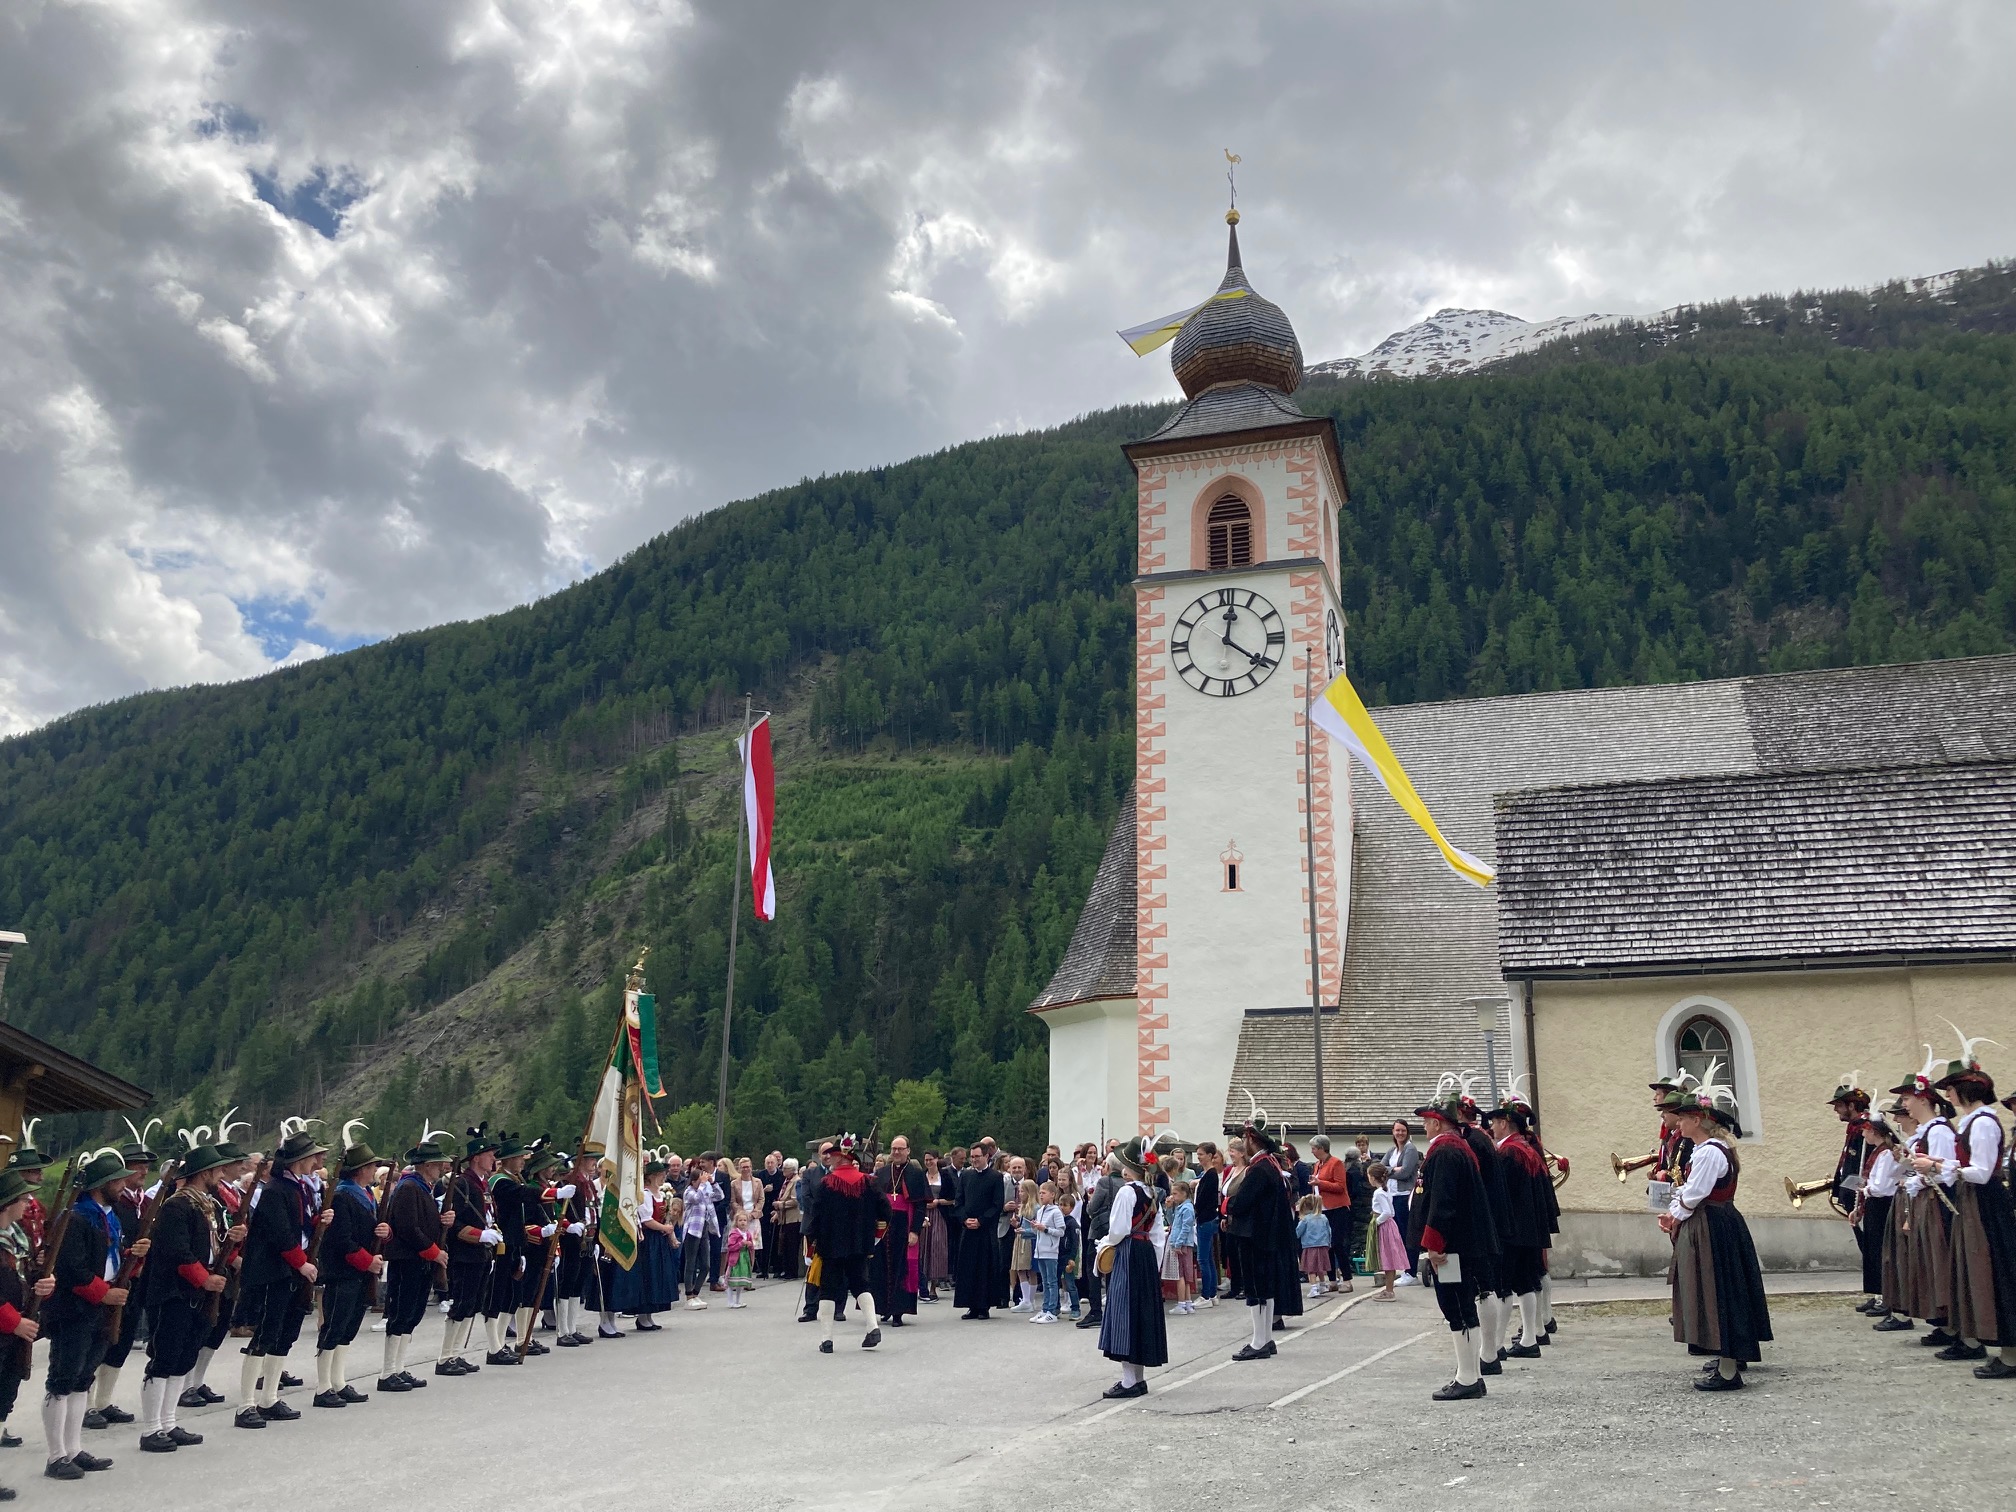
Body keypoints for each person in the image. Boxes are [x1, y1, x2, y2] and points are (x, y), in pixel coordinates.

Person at [1660, 1088, 1771, 1389]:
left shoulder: (1710, 1151)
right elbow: (1689, 1191)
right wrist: (1676, 1211)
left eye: (1683, 1118)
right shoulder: (1710, 1148)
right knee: (1720, 1291)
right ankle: (1726, 1360)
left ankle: (1728, 1370)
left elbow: (1695, 1194)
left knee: (1718, 1291)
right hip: (1716, 1223)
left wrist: (1675, 1216)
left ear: (1697, 1120)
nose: (1678, 1124)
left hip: (1712, 1227)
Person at [44, 1149, 141, 1480]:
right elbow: (71, 1269)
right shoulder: (76, 1217)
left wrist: (131, 1255)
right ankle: (56, 1455)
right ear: (103, 1184)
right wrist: (105, 1293)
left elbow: (106, 1257)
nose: (123, 1185)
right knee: (62, 1380)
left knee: (82, 1379)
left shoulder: (105, 1216)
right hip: (75, 1308)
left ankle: (73, 1449)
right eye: (117, 1180)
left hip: (99, 1306)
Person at [1923, 1040, 2016, 1376]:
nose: (1947, 1096)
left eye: (1950, 1090)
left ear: (1963, 1090)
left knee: (1997, 1273)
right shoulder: (1972, 1122)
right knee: (1982, 1274)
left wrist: (1937, 1168)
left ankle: (2010, 1356)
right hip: (1975, 1202)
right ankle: (2002, 1350)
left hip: (1986, 1205)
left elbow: (1982, 1171)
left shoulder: (1984, 1123)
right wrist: (1936, 1162)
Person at [236, 1123, 328, 1429]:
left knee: (283, 1335)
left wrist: (319, 1219)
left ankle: (269, 1398)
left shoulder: (294, 1187)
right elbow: (281, 1235)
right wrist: (302, 1263)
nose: (316, 1162)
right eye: (311, 1157)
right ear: (296, 1161)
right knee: (264, 1334)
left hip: (287, 1270)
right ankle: (246, 1404)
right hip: (270, 1271)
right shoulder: (277, 1190)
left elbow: (298, 1226)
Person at [1407, 1094, 1492, 1401]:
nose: (1424, 1127)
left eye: (1426, 1121)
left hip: (1452, 1245)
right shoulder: (1457, 1148)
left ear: (1437, 1122)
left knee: (1456, 1307)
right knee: (1463, 1307)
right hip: (1462, 1242)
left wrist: (1433, 1243)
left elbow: (1442, 1203)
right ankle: (1471, 1375)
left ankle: (1467, 1377)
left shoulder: (1444, 1151)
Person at [309, 1135, 387, 1407]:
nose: (374, 1168)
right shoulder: (342, 1196)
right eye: (371, 1165)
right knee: (333, 1327)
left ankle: (338, 1382)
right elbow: (342, 1240)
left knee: (348, 1328)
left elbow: (367, 1232)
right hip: (343, 1271)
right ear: (361, 1169)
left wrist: (383, 1233)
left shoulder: (364, 1195)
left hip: (358, 1270)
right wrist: (368, 1262)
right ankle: (322, 1387)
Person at [1095, 1137, 1168, 1398]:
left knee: (1125, 1312)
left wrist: (1103, 1246)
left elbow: (1118, 1230)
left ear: (1127, 1168)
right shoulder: (1153, 1194)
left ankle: (1129, 1381)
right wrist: (1155, 1264)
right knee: (1142, 1312)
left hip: (1128, 1253)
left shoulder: (1127, 1192)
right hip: (1146, 1253)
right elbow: (1158, 1235)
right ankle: (1138, 1378)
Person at [1890, 1058, 1957, 1346]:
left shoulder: (1939, 1130)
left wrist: (1916, 1175)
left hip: (1936, 1202)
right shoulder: (1927, 1132)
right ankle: (1944, 1323)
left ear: (1921, 1098)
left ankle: (1954, 1325)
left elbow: (1942, 1172)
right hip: (1924, 1199)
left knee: (1941, 1261)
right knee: (1930, 1263)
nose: (1903, 1104)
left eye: (1906, 1098)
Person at [802, 1136, 889, 1354]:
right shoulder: (869, 1182)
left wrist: (811, 1242)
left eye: (832, 1155)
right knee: (861, 1284)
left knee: (828, 1289)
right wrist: (875, 1234)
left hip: (830, 1245)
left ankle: (827, 1339)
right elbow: (886, 1211)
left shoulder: (826, 1184)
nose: (828, 1158)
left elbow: (816, 1216)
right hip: (860, 1244)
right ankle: (873, 1327)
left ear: (843, 1157)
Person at [1226, 1118, 1302, 1360]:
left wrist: (1229, 1204)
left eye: (1245, 1139)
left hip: (1255, 1235)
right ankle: (1265, 1339)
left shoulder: (1259, 1168)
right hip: (1266, 1235)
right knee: (1264, 1289)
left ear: (1252, 1140)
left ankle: (1260, 1341)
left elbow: (1241, 1202)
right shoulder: (1270, 1164)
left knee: (1257, 1290)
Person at [378, 1139, 450, 1393]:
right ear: (428, 1165)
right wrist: (434, 1253)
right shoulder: (410, 1187)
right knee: (400, 1314)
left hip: (418, 1260)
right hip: (408, 1259)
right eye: (439, 1163)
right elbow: (408, 1227)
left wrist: (443, 1222)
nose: (442, 1167)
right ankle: (388, 1372)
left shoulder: (422, 1187)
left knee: (412, 1314)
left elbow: (424, 1224)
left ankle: (398, 1368)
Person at [1486, 1099, 1551, 1361]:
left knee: (1504, 1287)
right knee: (1526, 1283)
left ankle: (1497, 1344)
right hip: (1529, 1229)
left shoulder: (1509, 1153)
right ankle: (1529, 1339)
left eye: (1494, 1123)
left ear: (1504, 1123)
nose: (1492, 1128)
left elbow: (1502, 1195)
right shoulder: (1527, 1149)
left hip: (1512, 1230)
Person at [439, 1125, 501, 1376]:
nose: (494, 1159)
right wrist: (480, 1235)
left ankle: (456, 1354)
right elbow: (455, 1224)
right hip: (464, 1254)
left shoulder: (481, 1185)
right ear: (477, 1158)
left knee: (472, 1304)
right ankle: (445, 1358)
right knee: (461, 1304)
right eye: (490, 1155)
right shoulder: (463, 1185)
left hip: (480, 1254)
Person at [871, 1136, 928, 1326]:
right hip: (884, 1225)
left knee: (900, 1269)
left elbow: (920, 1206)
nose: (896, 1152)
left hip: (904, 1225)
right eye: (894, 1148)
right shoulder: (882, 1172)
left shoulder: (916, 1174)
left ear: (908, 1151)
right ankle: (883, 1308)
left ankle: (898, 1311)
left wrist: (915, 1231)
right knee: (881, 1267)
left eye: (900, 1149)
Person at [953, 1144, 1003, 1320]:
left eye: (977, 1157)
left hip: (985, 1230)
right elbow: (958, 1201)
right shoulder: (966, 1175)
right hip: (968, 1229)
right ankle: (971, 1306)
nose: (974, 1160)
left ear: (986, 1156)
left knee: (984, 1268)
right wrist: (965, 1219)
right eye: (972, 1157)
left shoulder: (996, 1177)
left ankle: (984, 1306)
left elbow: (997, 1205)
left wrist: (981, 1220)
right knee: (968, 1268)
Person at [1075, 1155, 1120, 1329]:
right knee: (1112, 1269)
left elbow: (1091, 1208)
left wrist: (1090, 1199)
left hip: (1100, 1230)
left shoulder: (1104, 1182)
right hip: (1116, 1231)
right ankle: (1112, 1309)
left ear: (1108, 1166)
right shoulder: (1126, 1184)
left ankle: (1095, 1312)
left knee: (1094, 1269)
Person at [1309, 1135, 1353, 1294]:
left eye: (1314, 1148)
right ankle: (1332, 1280)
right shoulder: (1317, 1165)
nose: (1312, 1151)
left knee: (1337, 1244)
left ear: (1322, 1148)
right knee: (1326, 1245)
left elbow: (1340, 1186)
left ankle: (1347, 1279)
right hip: (1323, 1209)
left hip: (1338, 1208)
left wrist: (1320, 1183)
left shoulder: (1336, 1163)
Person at [795, 1145, 832, 1323]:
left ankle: (836, 1308)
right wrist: (822, 1215)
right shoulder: (810, 1174)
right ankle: (810, 1308)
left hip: (834, 1227)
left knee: (835, 1267)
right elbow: (806, 1197)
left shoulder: (838, 1174)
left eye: (830, 1153)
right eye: (824, 1153)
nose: (827, 1156)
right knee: (814, 1268)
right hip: (813, 1226)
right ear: (819, 1155)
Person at [681, 1158, 721, 1311]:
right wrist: (703, 1184)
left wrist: (712, 1183)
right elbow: (697, 1199)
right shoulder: (689, 1192)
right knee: (691, 1263)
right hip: (692, 1229)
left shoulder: (705, 1190)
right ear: (693, 1181)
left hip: (704, 1228)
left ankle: (696, 1292)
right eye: (699, 1180)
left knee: (706, 1265)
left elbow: (719, 1196)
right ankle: (688, 1294)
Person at [1385, 1121, 1422, 1278]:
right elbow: (1379, 1168)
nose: (1400, 1133)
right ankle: (1405, 1268)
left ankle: (1411, 1272)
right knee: (1399, 1234)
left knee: (1408, 1234)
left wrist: (1389, 1171)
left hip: (1405, 1196)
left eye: (1403, 1130)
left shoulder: (1410, 1149)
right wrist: (1393, 1169)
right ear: (1393, 1132)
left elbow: (1405, 1173)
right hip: (1392, 1196)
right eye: (1397, 1130)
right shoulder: (1392, 1150)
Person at [1365, 1161, 1407, 1299]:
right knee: (1389, 1258)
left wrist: (1376, 1222)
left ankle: (1389, 1291)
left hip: (1384, 1226)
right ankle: (1389, 1289)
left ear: (1372, 1177)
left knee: (1388, 1258)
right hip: (1388, 1225)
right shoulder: (1386, 1190)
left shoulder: (1379, 1193)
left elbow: (1388, 1212)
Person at [1030, 1183, 1066, 1323]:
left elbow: (1060, 1232)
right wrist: (1035, 1227)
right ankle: (1045, 1309)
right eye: (1040, 1192)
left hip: (1051, 1251)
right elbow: (1038, 1232)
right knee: (1045, 1282)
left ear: (1052, 1195)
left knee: (1052, 1281)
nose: (1041, 1195)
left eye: (1044, 1193)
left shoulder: (1056, 1211)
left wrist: (1045, 1229)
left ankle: (1052, 1311)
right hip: (1040, 1251)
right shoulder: (1040, 1211)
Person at [919, 1152, 952, 1300]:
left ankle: (934, 1286)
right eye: (926, 1160)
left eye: (930, 1159)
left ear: (937, 1159)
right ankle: (922, 1285)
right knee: (922, 1248)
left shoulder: (945, 1176)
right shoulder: (921, 1176)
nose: (928, 1162)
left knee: (937, 1248)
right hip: (923, 1214)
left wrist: (938, 1202)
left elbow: (953, 1199)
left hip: (939, 1215)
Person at [1192, 1142, 1222, 1306]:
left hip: (1205, 1219)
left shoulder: (1210, 1175)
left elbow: (1203, 1199)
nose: (1199, 1158)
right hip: (1208, 1219)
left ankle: (1207, 1295)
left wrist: (1196, 1211)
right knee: (1208, 1258)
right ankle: (1211, 1294)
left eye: (1201, 1154)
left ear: (1210, 1156)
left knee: (1203, 1259)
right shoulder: (1208, 1175)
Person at [1163, 1181, 1196, 1316]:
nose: (1173, 1196)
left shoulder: (1187, 1208)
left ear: (1184, 1194)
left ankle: (1181, 1303)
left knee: (1180, 1275)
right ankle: (1187, 1302)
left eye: (1175, 1194)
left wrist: (1178, 1243)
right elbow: (1173, 1223)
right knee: (1184, 1274)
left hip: (1181, 1244)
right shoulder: (1180, 1207)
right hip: (1178, 1242)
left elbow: (1186, 1227)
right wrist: (1169, 1209)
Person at [1009, 1178, 1039, 1313]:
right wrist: (1017, 1225)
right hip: (1021, 1239)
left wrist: (1024, 1230)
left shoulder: (1036, 1208)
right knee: (1021, 1270)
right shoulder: (1023, 1207)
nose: (1020, 1194)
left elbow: (1036, 1229)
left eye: (1022, 1191)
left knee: (1029, 1270)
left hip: (1028, 1241)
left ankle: (1029, 1300)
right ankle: (1027, 1299)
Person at [1295, 1195, 1331, 1299]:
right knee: (1320, 1267)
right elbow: (1329, 1231)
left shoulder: (1305, 1220)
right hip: (1323, 1245)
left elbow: (1298, 1232)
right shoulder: (1323, 1217)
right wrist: (1328, 1243)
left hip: (1310, 1246)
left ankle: (1314, 1288)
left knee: (1311, 1268)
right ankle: (1323, 1285)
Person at [722, 1208, 756, 1307]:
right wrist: (740, 1244)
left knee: (740, 1282)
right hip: (735, 1260)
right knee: (731, 1281)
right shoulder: (734, 1233)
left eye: (744, 1220)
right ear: (736, 1222)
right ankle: (730, 1301)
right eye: (740, 1220)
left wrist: (750, 1244)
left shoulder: (748, 1234)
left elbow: (751, 1246)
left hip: (744, 1259)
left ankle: (738, 1300)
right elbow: (730, 1246)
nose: (742, 1222)